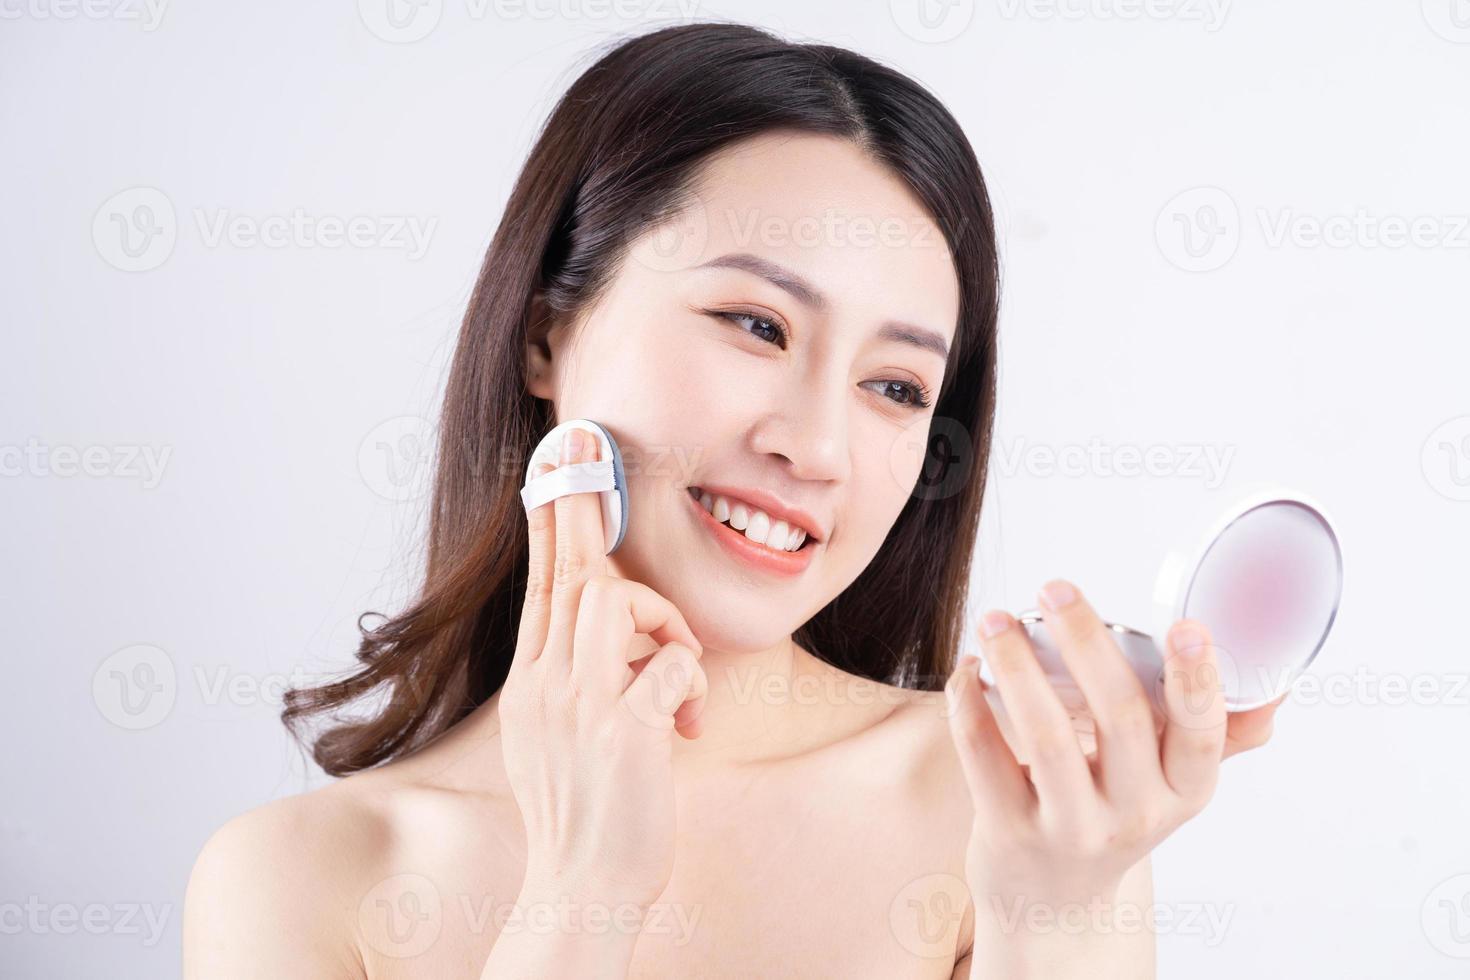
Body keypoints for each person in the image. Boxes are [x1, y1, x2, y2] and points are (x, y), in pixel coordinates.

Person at [182, 22, 1282, 978]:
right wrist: (581, 889)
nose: (813, 444)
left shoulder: (1003, 818)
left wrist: (1059, 909)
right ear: (542, 332)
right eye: (757, 324)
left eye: (895, 386)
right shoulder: (294, 880)